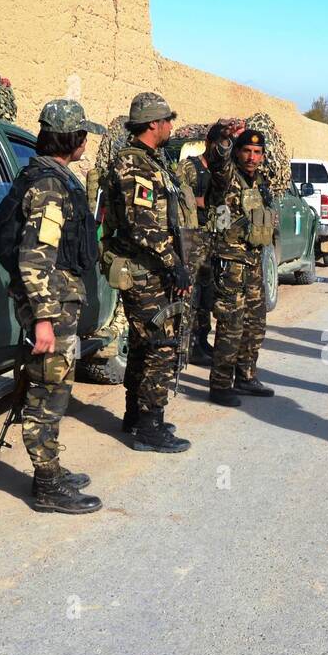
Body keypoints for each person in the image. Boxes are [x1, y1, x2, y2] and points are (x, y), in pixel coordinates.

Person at [8, 99, 105, 514]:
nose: (86, 141)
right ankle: (47, 485)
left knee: (56, 389)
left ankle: (51, 468)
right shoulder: (49, 187)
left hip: (60, 301)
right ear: (72, 138)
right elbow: (34, 257)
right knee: (46, 394)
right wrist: (44, 320)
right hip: (51, 306)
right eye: (83, 134)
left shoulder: (55, 178)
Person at [102, 92, 194, 453]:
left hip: (151, 268)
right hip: (144, 271)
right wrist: (175, 265)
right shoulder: (134, 166)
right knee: (160, 344)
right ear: (154, 124)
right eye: (168, 120)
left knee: (143, 343)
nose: (171, 125)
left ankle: (136, 416)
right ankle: (150, 426)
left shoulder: (153, 162)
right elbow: (142, 226)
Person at [205, 122, 277, 406]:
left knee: (255, 324)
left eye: (257, 152)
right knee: (230, 325)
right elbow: (218, 161)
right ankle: (221, 385)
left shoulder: (261, 181)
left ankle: (246, 376)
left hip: (253, 261)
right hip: (229, 262)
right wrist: (224, 138)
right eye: (246, 150)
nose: (252, 157)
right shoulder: (227, 176)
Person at [176, 124, 221, 367]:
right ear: (209, 143)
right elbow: (180, 195)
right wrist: (205, 202)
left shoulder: (221, 170)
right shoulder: (189, 166)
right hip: (192, 236)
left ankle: (202, 341)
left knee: (208, 294)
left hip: (212, 238)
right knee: (191, 294)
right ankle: (187, 345)